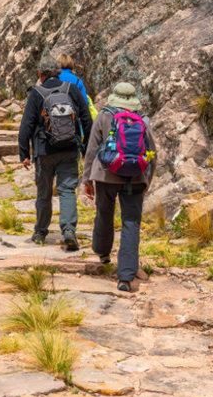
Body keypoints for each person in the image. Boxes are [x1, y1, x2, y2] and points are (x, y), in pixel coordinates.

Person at [82, 82, 157, 292]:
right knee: (131, 222)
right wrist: (146, 182)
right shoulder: (142, 119)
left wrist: (87, 179)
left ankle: (103, 253)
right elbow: (153, 154)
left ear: (114, 96)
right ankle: (125, 277)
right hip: (135, 177)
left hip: (106, 175)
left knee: (104, 213)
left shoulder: (103, 116)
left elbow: (92, 149)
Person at [18, 52, 92, 248]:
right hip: (69, 148)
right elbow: (86, 119)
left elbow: (26, 125)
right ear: (58, 72)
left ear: (41, 74)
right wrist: (86, 148)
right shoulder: (72, 89)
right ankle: (68, 230)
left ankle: (41, 232)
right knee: (67, 190)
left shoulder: (37, 93)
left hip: (44, 151)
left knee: (44, 192)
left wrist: (24, 153)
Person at [57, 53, 98, 121]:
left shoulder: (54, 79)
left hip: (55, 116)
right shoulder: (77, 81)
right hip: (73, 118)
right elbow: (85, 103)